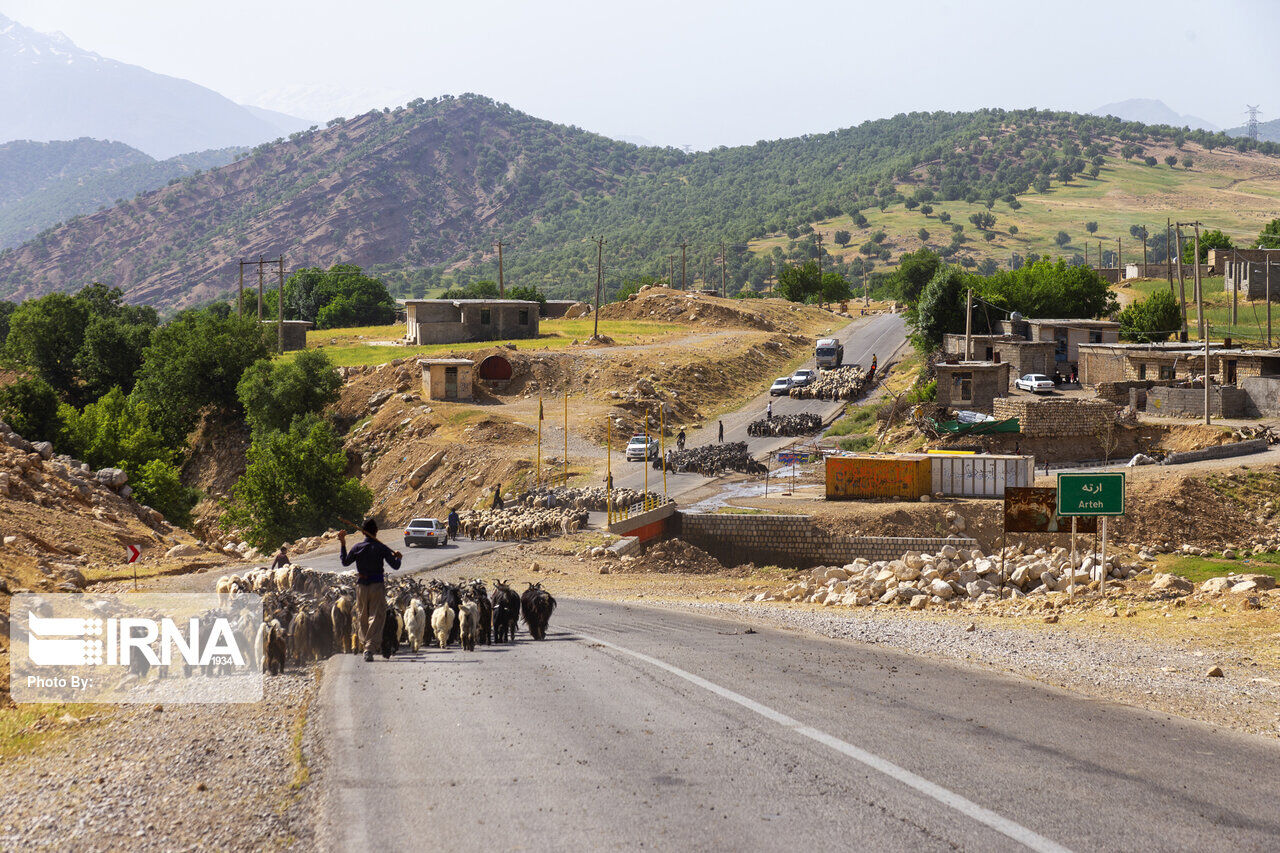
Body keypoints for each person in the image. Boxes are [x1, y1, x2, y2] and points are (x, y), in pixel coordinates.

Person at [339, 519, 402, 662]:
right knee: (377, 616)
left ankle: (365, 643)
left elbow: (345, 562)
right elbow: (396, 566)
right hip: (377, 585)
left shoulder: (357, 547)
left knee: (362, 615)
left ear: (363, 532)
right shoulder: (381, 548)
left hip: (361, 585)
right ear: (376, 531)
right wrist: (398, 558)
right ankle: (369, 647)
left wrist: (343, 543)